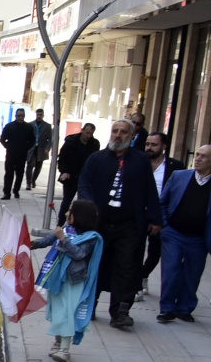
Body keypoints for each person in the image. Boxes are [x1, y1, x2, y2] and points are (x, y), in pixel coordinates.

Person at [78, 118, 163, 329]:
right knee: (95, 263)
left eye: (123, 132)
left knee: (125, 265)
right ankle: (89, 305)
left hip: (129, 224)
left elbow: (149, 190)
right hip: (100, 223)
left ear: (132, 136)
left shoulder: (141, 161)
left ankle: (120, 311)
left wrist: (154, 218)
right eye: (115, 131)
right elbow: (85, 184)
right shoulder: (96, 159)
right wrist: (89, 208)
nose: (118, 135)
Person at [40, 199, 103, 362]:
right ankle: (58, 343)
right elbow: (47, 240)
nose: (67, 214)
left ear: (80, 215)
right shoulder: (67, 230)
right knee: (57, 311)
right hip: (58, 277)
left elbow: (79, 254)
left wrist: (64, 239)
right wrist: (30, 243)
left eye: (70, 211)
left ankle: (64, 351)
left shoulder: (91, 238)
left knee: (67, 313)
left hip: (74, 281)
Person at [158, 144, 211, 323]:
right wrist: (164, 225)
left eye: (203, 156)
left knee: (192, 274)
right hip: (174, 233)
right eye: (197, 155)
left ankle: (184, 308)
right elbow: (162, 202)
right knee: (170, 270)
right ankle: (166, 309)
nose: (197, 158)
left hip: (199, 238)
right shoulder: (179, 176)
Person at [140, 130, 186, 291]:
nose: (149, 148)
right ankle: (134, 283)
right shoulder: (138, 162)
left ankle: (143, 276)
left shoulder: (176, 167)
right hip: (138, 213)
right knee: (133, 250)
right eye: (147, 144)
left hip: (160, 215)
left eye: (154, 144)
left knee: (155, 252)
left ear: (164, 146)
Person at [57, 122, 101, 225]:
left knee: (83, 203)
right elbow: (62, 158)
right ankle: (60, 223)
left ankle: (79, 225)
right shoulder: (70, 142)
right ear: (82, 130)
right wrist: (64, 171)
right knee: (66, 201)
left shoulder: (94, 144)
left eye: (91, 133)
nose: (88, 136)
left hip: (85, 178)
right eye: (87, 133)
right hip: (71, 176)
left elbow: (95, 161)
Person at [0, 108, 36, 199]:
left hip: (22, 154)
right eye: (18, 116)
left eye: (22, 116)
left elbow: (32, 140)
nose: (20, 118)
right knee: (9, 174)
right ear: (16, 116)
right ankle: (7, 192)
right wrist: (8, 146)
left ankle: (16, 190)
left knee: (19, 174)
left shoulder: (28, 127)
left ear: (24, 116)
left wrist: (26, 148)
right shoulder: (9, 126)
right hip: (11, 154)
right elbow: (2, 139)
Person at [27, 108, 55, 191]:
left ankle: (33, 180)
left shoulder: (47, 126)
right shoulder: (30, 124)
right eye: (37, 115)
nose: (39, 116)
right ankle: (28, 183)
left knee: (38, 167)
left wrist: (48, 148)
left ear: (43, 116)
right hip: (31, 148)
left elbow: (50, 139)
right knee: (30, 165)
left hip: (41, 149)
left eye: (40, 115)